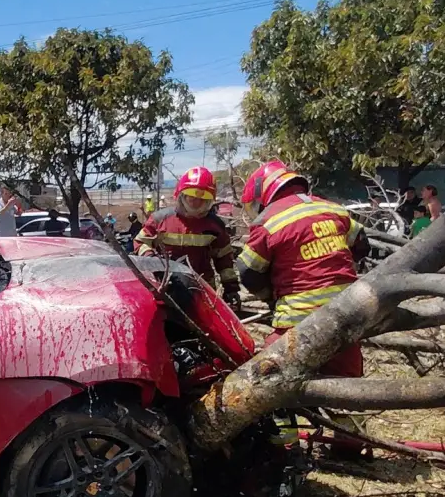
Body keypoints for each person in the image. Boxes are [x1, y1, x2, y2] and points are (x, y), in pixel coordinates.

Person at [236, 160, 371, 460]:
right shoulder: (333, 209)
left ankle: (286, 449)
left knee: (271, 381)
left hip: (298, 321)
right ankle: (351, 448)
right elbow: (362, 244)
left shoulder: (269, 221)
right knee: (348, 387)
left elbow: (247, 271)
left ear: (263, 195)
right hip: (349, 314)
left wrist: (271, 296)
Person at [135, 166, 239, 308]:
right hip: (165, 288)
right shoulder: (160, 220)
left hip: (202, 291)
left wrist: (231, 288)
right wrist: (153, 262)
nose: (196, 203)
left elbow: (224, 259)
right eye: (192, 197)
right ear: (181, 195)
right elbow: (140, 242)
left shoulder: (215, 226)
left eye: (202, 199)